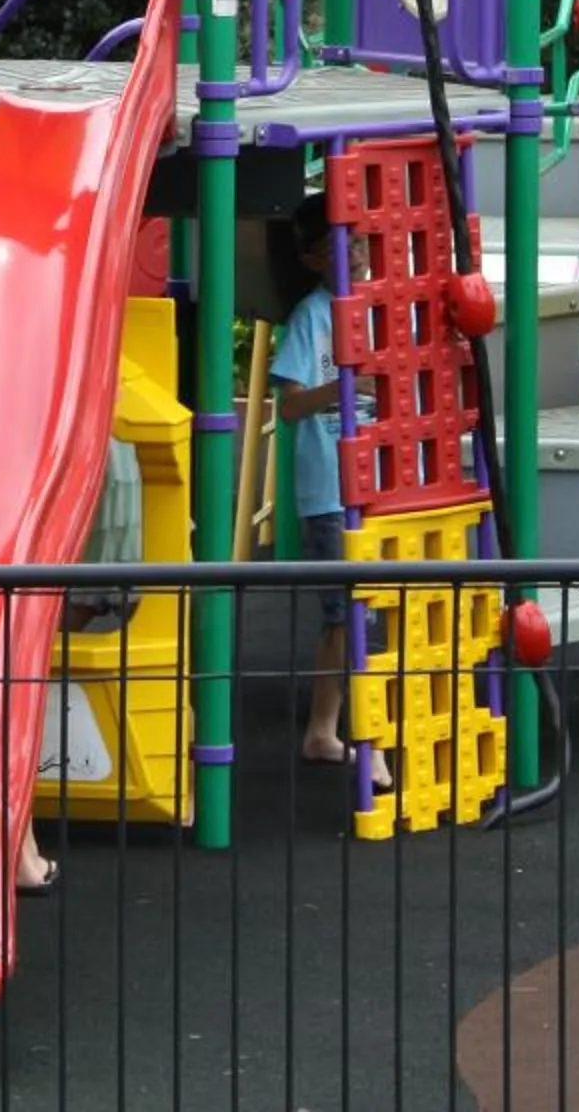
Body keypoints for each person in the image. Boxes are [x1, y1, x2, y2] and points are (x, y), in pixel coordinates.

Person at [269, 191, 364, 766]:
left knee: (360, 615)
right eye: (336, 243)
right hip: (329, 488)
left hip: (369, 481)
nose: (352, 251)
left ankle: (327, 729)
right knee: (345, 617)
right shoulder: (312, 316)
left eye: (356, 236)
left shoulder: (376, 306)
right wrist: (351, 387)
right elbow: (290, 406)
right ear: (312, 259)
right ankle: (325, 730)